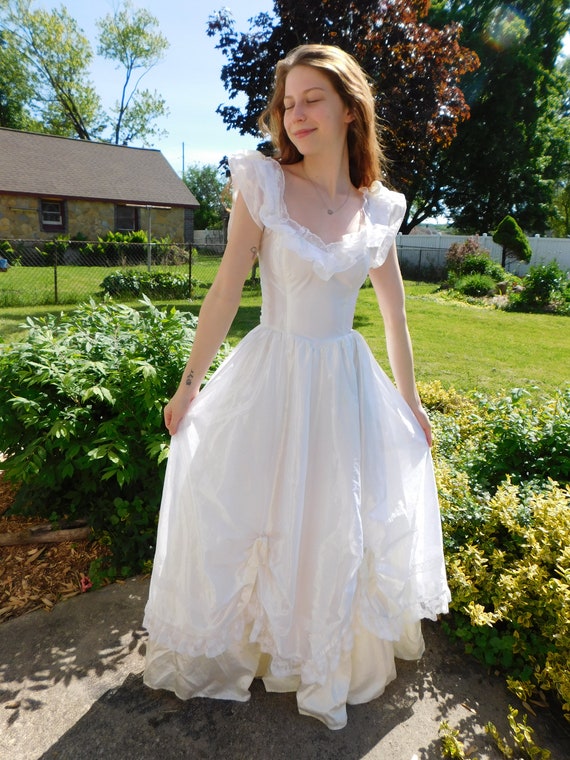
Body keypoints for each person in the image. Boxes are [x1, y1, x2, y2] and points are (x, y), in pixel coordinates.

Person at [143, 43, 450, 730]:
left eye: (312, 98)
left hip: (342, 381)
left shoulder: (380, 208)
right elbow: (227, 288)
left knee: (333, 520)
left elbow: (395, 311)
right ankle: (257, 643)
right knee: (258, 507)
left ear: (349, 107)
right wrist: (190, 384)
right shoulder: (264, 184)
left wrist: (411, 399)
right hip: (274, 373)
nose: (296, 114)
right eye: (288, 102)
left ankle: (320, 650)